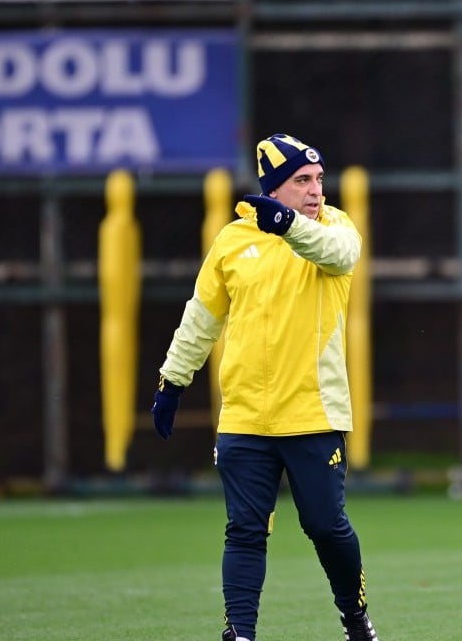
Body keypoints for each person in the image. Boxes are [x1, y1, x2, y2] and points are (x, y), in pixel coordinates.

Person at [150, 133, 379, 641]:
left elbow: (340, 256)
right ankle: (241, 633)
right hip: (245, 416)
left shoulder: (332, 227)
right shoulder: (232, 241)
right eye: (302, 181)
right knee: (245, 531)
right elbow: (201, 318)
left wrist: (289, 224)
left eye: (319, 179)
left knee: (325, 526)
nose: (316, 190)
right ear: (274, 187)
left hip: (313, 414)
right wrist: (173, 379)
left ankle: (355, 617)